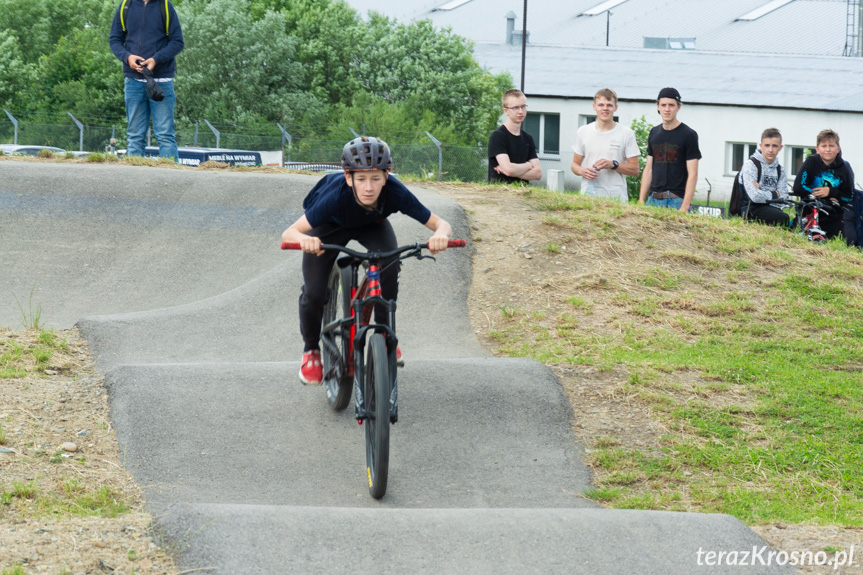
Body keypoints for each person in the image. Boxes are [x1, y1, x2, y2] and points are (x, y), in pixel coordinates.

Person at [281, 137, 453, 385]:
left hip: (372, 225)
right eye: (360, 179)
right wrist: (305, 240)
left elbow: (440, 223)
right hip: (329, 228)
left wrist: (440, 235)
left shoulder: (395, 192)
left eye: (375, 178)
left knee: (390, 264)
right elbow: (289, 232)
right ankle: (311, 351)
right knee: (314, 293)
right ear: (348, 177)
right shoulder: (334, 196)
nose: (369, 187)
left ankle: (384, 335)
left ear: (387, 175)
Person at [109, 0, 184, 161]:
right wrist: (127, 57)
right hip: (133, 80)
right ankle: (134, 180)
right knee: (135, 135)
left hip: (161, 80)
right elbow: (114, 40)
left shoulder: (165, 5)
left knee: (164, 134)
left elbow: (178, 42)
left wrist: (156, 59)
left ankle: (172, 179)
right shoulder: (125, 6)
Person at [571, 88, 640, 203]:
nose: (605, 108)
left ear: (615, 107)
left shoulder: (626, 133)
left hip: (617, 199)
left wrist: (613, 164)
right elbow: (574, 165)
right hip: (588, 197)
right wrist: (582, 171)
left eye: (609, 105)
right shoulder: (583, 131)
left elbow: (635, 170)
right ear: (594, 107)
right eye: (601, 105)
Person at [638, 87, 701, 212]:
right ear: (658, 106)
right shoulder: (654, 132)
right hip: (653, 199)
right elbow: (649, 168)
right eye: (664, 105)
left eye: (671, 105)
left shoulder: (689, 134)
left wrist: (685, 206)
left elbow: (693, 174)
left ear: (679, 107)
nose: (667, 109)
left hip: (676, 201)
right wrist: (641, 199)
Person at [792, 129, 854, 240]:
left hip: (833, 215)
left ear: (838, 149)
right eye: (824, 146)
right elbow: (798, 187)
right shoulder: (811, 162)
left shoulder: (844, 169)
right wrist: (819, 193)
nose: (828, 149)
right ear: (817, 149)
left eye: (831, 146)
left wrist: (831, 192)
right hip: (810, 210)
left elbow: (849, 196)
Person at [487, 89, 543, 184]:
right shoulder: (498, 136)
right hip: (499, 194)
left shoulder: (528, 138)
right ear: (506, 111)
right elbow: (509, 170)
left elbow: (538, 174)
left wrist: (512, 171)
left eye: (523, 106)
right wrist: (528, 165)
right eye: (516, 108)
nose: (520, 111)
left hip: (522, 195)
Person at [739, 128, 789, 226]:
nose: (770, 150)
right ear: (761, 146)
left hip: (773, 209)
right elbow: (754, 197)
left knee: (797, 221)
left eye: (774, 146)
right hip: (751, 210)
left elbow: (784, 197)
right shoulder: (751, 165)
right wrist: (774, 194)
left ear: (780, 147)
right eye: (767, 145)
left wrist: (762, 192)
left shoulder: (780, 170)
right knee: (784, 218)